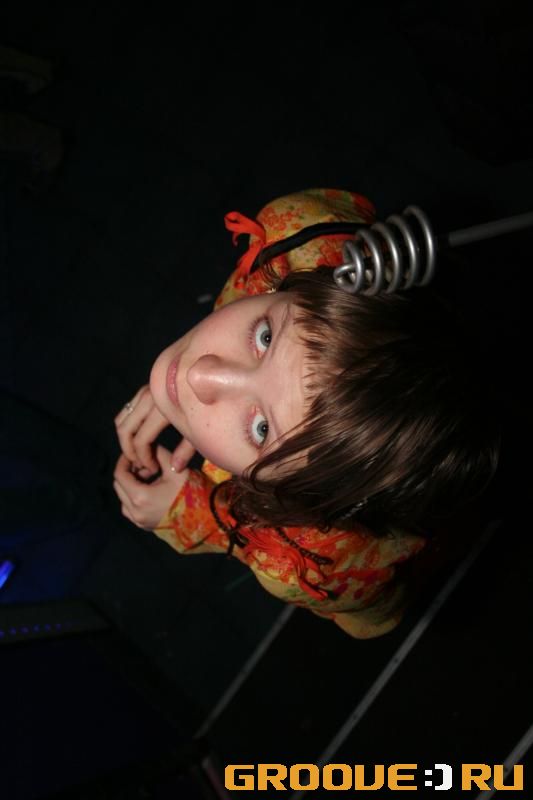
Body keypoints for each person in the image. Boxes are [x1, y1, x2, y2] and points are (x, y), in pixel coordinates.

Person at [112, 188, 500, 639]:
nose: (201, 374)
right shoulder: (298, 238)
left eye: (261, 429)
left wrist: (199, 516)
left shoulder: (319, 561)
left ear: (291, 497)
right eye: (264, 337)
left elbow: (376, 616)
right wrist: (173, 396)